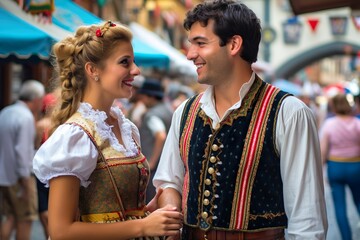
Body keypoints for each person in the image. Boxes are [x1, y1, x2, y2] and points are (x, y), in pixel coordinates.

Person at [153, 1, 328, 239]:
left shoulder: (288, 112)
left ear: (234, 44)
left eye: (200, 43)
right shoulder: (185, 111)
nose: (191, 54)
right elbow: (169, 181)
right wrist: (170, 211)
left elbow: (307, 221)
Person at [32, 21, 182, 240]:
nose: (136, 70)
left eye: (134, 61)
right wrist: (141, 226)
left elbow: (115, 212)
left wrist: (147, 213)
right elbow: (61, 231)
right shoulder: (75, 135)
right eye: (125, 62)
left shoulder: (127, 128)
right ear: (93, 70)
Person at [0, 79, 45, 240]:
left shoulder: (6, 112)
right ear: (36, 99)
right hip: (19, 178)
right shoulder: (25, 117)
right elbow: (23, 152)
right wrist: (26, 183)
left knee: (10, 217)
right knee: (25, 220)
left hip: (5, 176)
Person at [320, 93, 360, 240]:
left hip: (336, 167)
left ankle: (346, 237)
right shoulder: (357, 123)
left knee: (339, 206)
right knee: (358, 200)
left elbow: (323, 151)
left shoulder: (329, 124)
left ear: (334, 107)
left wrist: (320, 170)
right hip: (356, 166)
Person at [137, 78, 173, 203]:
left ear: (151, 97)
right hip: (166, 164)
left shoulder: (152, 114)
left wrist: (151, 162)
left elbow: (160, 135)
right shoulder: (168, 109)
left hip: (155, 168)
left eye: (143, 96)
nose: (141, 99)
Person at [34, 91, 59, 240]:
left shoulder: (40, 125)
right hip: (57, 171)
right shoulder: (62, 124)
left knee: (44, 212)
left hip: (42, 171)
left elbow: (36, 147)